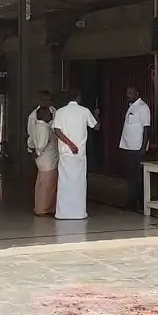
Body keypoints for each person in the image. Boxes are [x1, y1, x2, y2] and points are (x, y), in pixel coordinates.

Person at [51, 90, 98, 221]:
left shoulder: (60, 112)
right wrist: (96, 115)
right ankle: (78, 213)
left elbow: (56, 130)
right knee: (79, 183)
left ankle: (62, 213)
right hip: (80, 154)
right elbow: (96, 127)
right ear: (78, 97)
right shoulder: (84, 111)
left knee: (64, 183)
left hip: (65, 152)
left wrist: (70, 144)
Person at [119, 86, 153, 213]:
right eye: (127, 93)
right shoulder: (131, 107)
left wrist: (143, 147)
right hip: (129, 147)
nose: (127, 95)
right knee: (132, 176)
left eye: (130, 93)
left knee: (138, 177)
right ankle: (133, 202)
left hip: (137, 148)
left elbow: (146, 128)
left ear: (137, 93)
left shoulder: (143, 108)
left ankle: (141, 202)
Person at [26, 93, 58, 216]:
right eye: (45, 100)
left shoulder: (53, 111)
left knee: (43, 183)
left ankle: (44, 206)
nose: (48, 102)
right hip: (46, 157)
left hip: (49, 155)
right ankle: (42, 209)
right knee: (47, 184)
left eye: (50, 99)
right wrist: (35, 151)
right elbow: (35, 138)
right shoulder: (35, 118)